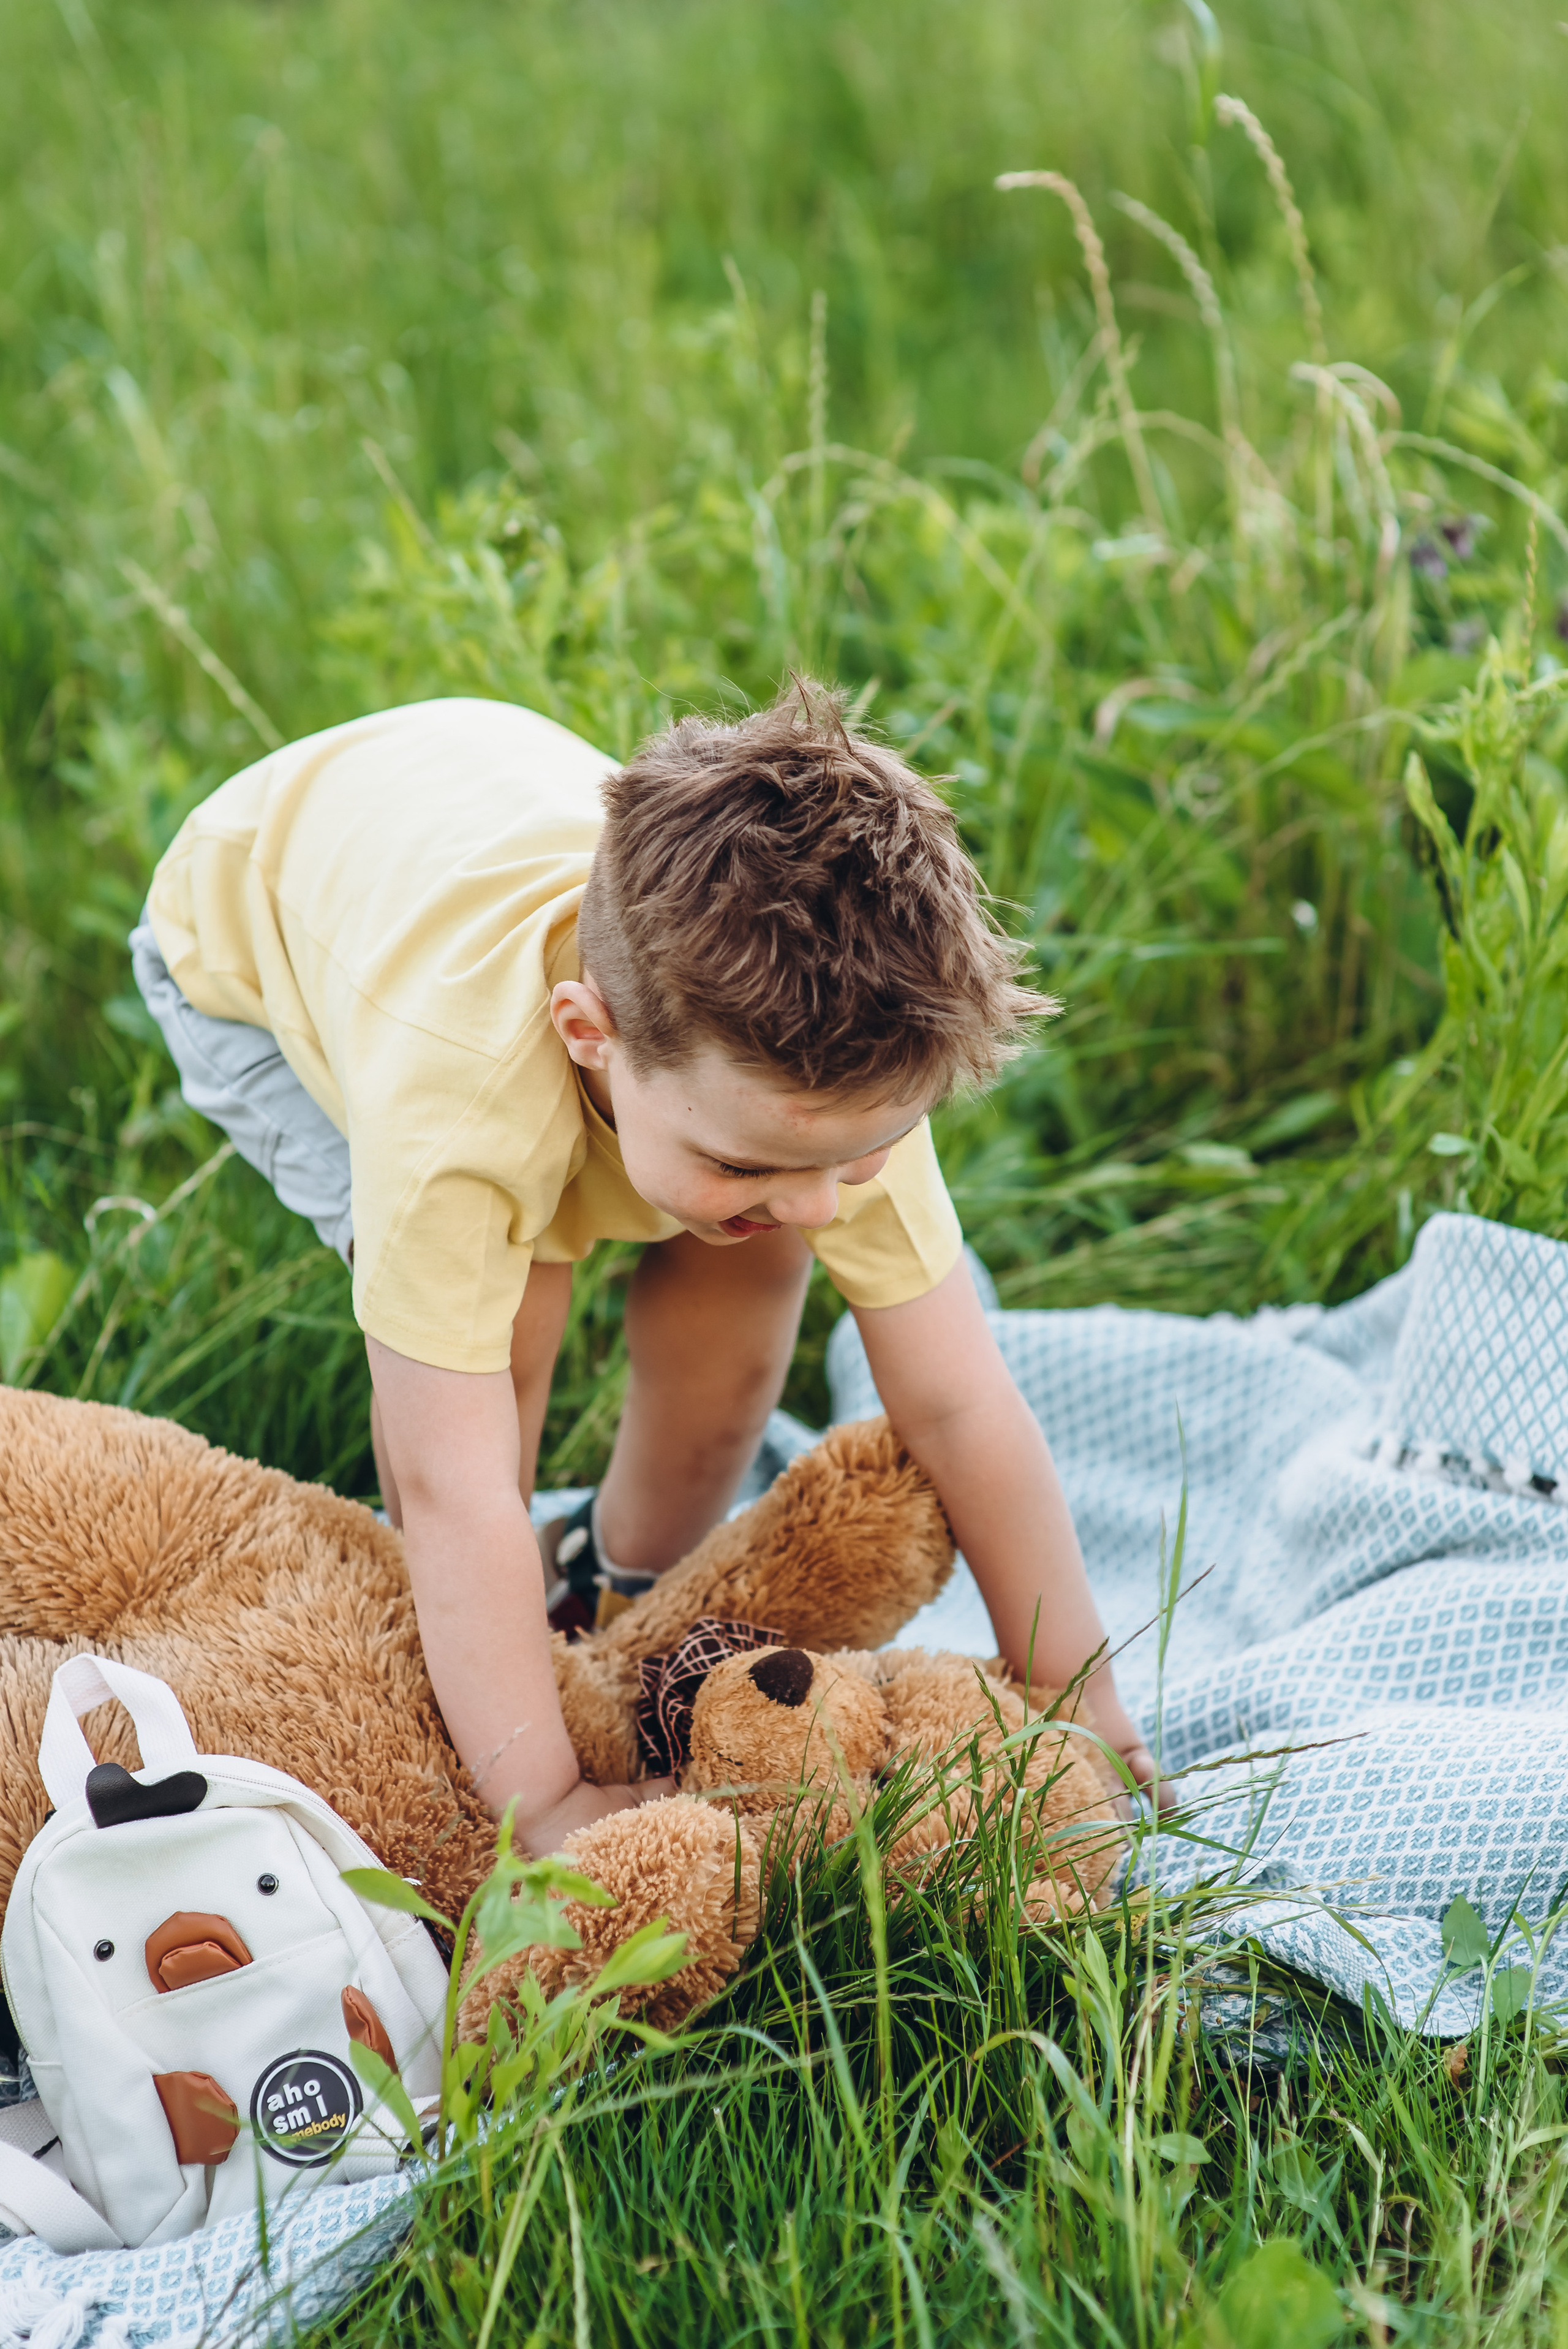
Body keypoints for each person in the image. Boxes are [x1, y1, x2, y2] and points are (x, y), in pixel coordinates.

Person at [132, 683, 1158, 1852]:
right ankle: (490, 1707)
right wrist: (546, 1800)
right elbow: (447, 1484)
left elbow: (959, 1397)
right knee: (508, 1318)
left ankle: (621, 1591)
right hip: (253, 942)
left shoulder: (831, 1089)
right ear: (590, 1036)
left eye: (857, 1155)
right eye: (747, 1157)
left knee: (753, 1252)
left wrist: (1084, 1696)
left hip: (472, 818)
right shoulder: (460, 1108)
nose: (824, 1199)